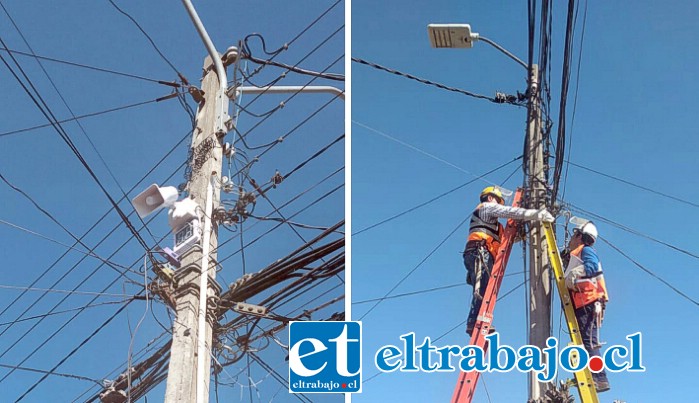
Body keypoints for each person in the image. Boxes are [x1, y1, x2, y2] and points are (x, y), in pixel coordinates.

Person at [463, 186, 554, 335]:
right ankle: (475, 322)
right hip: (479, 252)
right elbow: (510, 212)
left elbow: (507, 239)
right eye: (498, 201)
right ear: (491, 198)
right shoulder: (486, 207)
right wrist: (537, 214)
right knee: (483, 289)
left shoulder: (495, 225)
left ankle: (474, 322)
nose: (499, 205)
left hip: (482, 254)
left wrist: (524, 233)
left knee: (483, 289)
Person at [564, 220, 611, 393]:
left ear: (580, 236)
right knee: (585, 341)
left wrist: (574, 276)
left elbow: (590, 268)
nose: (571, 239)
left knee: (588, 342)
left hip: (589, 302)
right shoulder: (578, 254)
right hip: (584, 303)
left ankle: (599, 379)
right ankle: (594, 376)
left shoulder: (587, 251)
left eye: (573, 235)